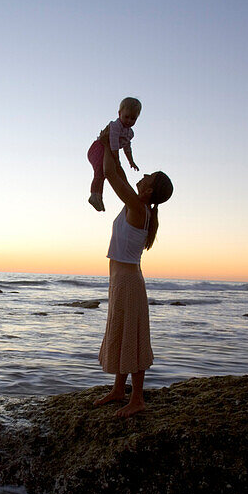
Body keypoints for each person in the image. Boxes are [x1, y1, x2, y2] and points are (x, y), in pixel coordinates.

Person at [92, 124, 173, 417]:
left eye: (147, 177)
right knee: (124, 333)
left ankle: (136, 398)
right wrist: (110, 144)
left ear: (150, 189)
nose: (142, 176)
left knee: (133, 337)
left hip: (127, 281)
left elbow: (113, 176)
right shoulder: (136, 204)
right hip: (121, 280)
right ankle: (118, 390)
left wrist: (107, 143)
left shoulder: (139, 209)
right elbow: (120, 174)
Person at [87, 97, 142, 212]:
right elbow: (113, 142)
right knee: (100, 171)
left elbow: (127, 147)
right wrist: (116, 159)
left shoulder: (130, 133)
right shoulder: (115, 126)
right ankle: (94, 195)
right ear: (119, 113)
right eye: (126, 117)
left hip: (108, 151)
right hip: (98, 148)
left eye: (133, 119)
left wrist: (131, 161)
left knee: (104, 174)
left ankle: (98, 196)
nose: (129, 121)